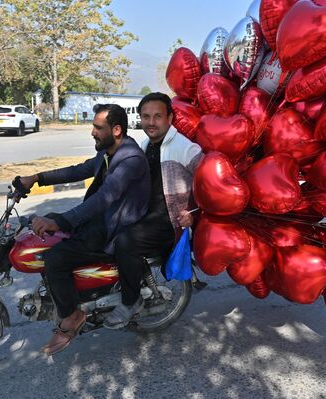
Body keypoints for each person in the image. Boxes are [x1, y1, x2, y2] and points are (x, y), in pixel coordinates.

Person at [16, 103, 150, 355]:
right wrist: (36, 178)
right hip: (102, 219)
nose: (92, 132)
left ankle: (71, 316)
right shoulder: (109, 151)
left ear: (117, 129)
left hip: (115, 228)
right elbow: (78, 170)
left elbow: (105, 197)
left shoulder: (129, 158)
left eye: (98, 127)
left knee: (54, 257)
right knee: (46, 226)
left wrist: (62, 222)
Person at [103, 92, 203, 329]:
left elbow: (209, 184)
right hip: (145, 215)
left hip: (169, 222)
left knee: (125, 241)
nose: (151, 122)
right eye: (146, 116)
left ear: (170, 117)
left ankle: (131, 301)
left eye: (158, 116)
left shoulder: (185, 148)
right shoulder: (146, 144)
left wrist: (193, 212)